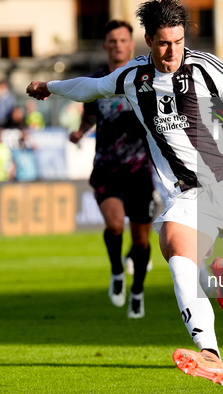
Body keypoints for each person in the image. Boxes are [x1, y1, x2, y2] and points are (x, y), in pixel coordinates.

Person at [26, 0, 223, 385]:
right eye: (164, 43)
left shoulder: (207, 69)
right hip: (185, 195)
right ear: (148, 40)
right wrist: (50, 87)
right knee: (177, 252)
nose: (172, 52)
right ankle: (210, 353)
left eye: (178, 41)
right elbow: (90, 89)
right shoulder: (133, 76)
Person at [68, 20, 156, 319]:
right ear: (106, 46)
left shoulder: (145, 79)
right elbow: (90, 115)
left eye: (122, 40)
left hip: (140, 170)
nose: (118, 45)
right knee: (115, 224)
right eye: (112, 40)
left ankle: (138, 290)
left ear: (131, 45)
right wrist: (80, 132)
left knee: (142, 240)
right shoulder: (96, 81)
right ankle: (117, 271)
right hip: (106, 167)